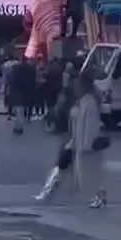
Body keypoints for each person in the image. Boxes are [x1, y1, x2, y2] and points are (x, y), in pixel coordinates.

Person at [35, 65, 79, 201]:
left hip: (68, 135)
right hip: (70, 134)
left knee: (61, 164)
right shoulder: (74, 96)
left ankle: (49, 191)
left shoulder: (68, 96)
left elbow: (59, 112)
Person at [71, 71, 108, 208]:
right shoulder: (84, 100)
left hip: (88, 144)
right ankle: (97, 195)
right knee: (91, 172)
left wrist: (87, 144)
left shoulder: (89, 102)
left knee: (92, 172)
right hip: (84, 142)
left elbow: (91, 125)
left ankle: (99, 195)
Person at [9, 57, 37, 134]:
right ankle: (18, 126)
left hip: (17, 92)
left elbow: (12, 80)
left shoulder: (16, 68)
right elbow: (33, 82)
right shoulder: (31, 69)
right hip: (26, 92)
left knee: (18, 110)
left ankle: (18, 127)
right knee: (21, 110)